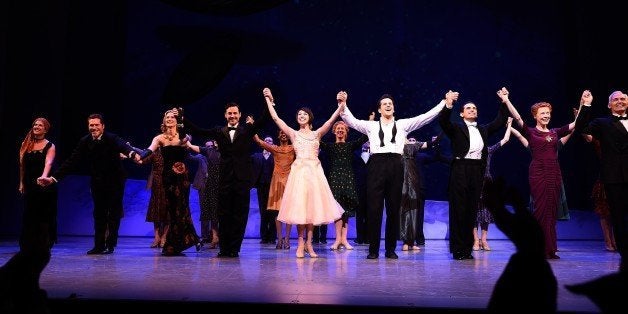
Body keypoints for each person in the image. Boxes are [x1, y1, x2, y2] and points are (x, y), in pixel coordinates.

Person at [340, 89, 458, 259]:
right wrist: (343, 103)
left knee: (394, 209)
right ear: (379, 109)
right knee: (374, 209)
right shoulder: (371, 126)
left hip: (396, 165)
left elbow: (425, 117)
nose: (388, 105)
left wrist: (444, 102)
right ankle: (373, 250)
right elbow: (350, 121)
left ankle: (390, 249)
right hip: (376, 165)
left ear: (393, 108)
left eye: (390, 104)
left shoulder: (402, 124)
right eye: (384, 104)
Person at [500, 87, 592, 259]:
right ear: (535, 115)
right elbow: (518, 118)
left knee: (551, 211)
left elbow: (576, 125)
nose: (546, 116)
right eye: (542, 113)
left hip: (554, 173)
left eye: (548, 113)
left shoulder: (555, 132)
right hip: (538, 173)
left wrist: (584, 105)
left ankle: (550, 249)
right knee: (540, 210)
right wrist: (506, 100)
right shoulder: (531, 132)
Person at [38, 114, 140, 254]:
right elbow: (72, 161)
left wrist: (132, 154)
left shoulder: (111, 138)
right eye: (91, 125)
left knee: (114, 213)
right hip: (97, 182)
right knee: (99, 214)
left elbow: (123, 147)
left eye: (96, 125)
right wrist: (54, 178)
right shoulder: (85, 141)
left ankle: (110, 243)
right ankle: (99, 245)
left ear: (102, 126)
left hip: (115, 181)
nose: (94, 128)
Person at [178, 99, 269, 258]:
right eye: (229, 113)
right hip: (224, 178)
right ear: (225, 115)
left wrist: (270, 101)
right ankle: (224, 248)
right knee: (224, 214)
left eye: (235, 113)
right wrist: (183, 119)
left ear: (239, 115)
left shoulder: (247, 130)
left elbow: (263, 120)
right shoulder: (218, 131)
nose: (232, 115)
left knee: (240, 215)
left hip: (242, 180)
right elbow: (199, 131)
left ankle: (234, 249)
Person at [263, 87, 344, 258]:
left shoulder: (316, 134)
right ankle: (300, 243)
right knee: (300, 209)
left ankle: (309, 243)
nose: (301, 116)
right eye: (299, 114)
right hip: (299, 174)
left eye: (304, 114)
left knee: (313, 209)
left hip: (315, 174)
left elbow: (330, 121)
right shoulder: (293, 134)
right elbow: (276, 118)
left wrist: (341, 105)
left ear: (309, 117)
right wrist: (269, 100)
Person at [438, 90, 509, 260]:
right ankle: (458, 250)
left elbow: (499, 122)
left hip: (477, 169)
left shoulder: (483, 129)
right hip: (461, 168)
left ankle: (467, 249)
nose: (472, 110)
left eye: (474, 108)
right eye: (468, 108)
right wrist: (449, 104)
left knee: (471, 210)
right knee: (459, 209)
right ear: (462, 113)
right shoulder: (456, 128)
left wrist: (504, 101)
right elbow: (443, 121)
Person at [141, 109, 201, 256]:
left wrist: (180, 115)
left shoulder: (183, 137)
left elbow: (185, 138)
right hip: (167, 178)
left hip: (182, 178)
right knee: (172, 211)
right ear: (163, 121)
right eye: (167, 117)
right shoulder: (159, 138)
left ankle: (178, 243)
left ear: (177, 121)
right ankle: (183, 241)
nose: (169, 119)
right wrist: (140, 156)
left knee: (182, 209)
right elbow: (150, 149)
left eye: (172, 117)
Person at [580, 90, 628, 271]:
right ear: (609, 105)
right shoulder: (602, 123)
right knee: (618, 217)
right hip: (614, 177)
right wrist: (586, 106)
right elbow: (583, 129)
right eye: (616, 99)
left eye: (623, 99)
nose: (620, 101)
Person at [320, 120, 370, 250]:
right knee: (337, 210)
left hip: (348, 179)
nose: (340, 130)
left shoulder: (350, 146)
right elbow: (317, 140)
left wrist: (369, 122)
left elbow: (364, 138)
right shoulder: (330, 147)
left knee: (346, 210)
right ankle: (337, 239)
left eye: (343, 128)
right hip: (335, 179)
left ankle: (344, 239)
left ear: (346, 132)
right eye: (338, 129)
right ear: (334, 131)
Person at [472, 117, 514, 251]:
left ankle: (483, 239)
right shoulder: (471, 151)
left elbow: (505, 140)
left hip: (487, 182)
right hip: (473, 181)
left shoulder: (488, 150)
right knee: (473, 211)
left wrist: (509, 125)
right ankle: (475, 240)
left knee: (486, 212)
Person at [18, 118, 58, 251]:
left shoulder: (50, 145)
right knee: (29, 213)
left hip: (44, 185)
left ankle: (45, 242)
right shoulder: (26, 144)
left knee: (44, 213)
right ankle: (27, 242)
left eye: (40, 125)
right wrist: (21, 183)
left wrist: (44, 177)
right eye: (35, 124)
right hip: (29, 184)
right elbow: (22, 166)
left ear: (45, 129)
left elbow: (49, 163)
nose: (37, 126)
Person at [253, 131, 296, 250]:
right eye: (281, 133)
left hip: (289, 181)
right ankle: (279, 238)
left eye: (285, 133)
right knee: (277, 212)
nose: (283, 135)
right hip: (276, 181)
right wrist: (251, 127)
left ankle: (287, 239)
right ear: (278, 136)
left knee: (288, 212)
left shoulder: (293, 148)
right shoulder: (275, 149)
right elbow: (259, 141)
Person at [399, 136, 440, 251]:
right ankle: (406, 241)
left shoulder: (421, 156)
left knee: (416, 214)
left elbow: (434, 156)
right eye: (409, 140)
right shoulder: (401, 155)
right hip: (404, 186)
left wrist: (435, 143)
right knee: (405, 212)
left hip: (418, 187)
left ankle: (414, 240)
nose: (412, 143)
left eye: (414, 141)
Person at [190, 140, 220, 249]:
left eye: (211, 146)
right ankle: (205, 235)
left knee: (215, 211)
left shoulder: (218, 155)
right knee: (205, 211)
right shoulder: (201, 156)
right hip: (203, 186)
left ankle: (215, 235)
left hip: (216, 185)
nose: (210, 148)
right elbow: (190, 157)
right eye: (208, 146)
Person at [251, 135, 276, 244]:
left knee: (273, 212)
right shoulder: (256, 156)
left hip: (273, 187)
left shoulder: (276, 156)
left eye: (270, 141)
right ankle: (264, 237)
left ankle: (272, 237)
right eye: (265, 140)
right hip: (261, 187)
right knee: (263, 211)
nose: (267, 142)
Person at [352, 140, 371, 245]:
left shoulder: (375, 155)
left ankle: (368, 237)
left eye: (368, 141)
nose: (366, 143)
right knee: (359, 214)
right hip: (358, 187)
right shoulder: (355, 154)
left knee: (369, 214)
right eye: (365, 141)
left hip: (371, 188)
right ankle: (359, 237)